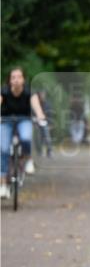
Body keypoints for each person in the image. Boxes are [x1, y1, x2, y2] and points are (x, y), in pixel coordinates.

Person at [1, 67, 48, 199]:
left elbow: (37, 107)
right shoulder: (3, 91)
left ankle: (28, 159)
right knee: (3, 150)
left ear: (23, 79)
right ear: (9, 81)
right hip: (5, 121)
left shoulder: (29, 92)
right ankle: (3, 185)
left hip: (24, 120)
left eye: (19, 77)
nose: (16, 80)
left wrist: (40, 116)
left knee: (26, 138)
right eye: (13, 77)